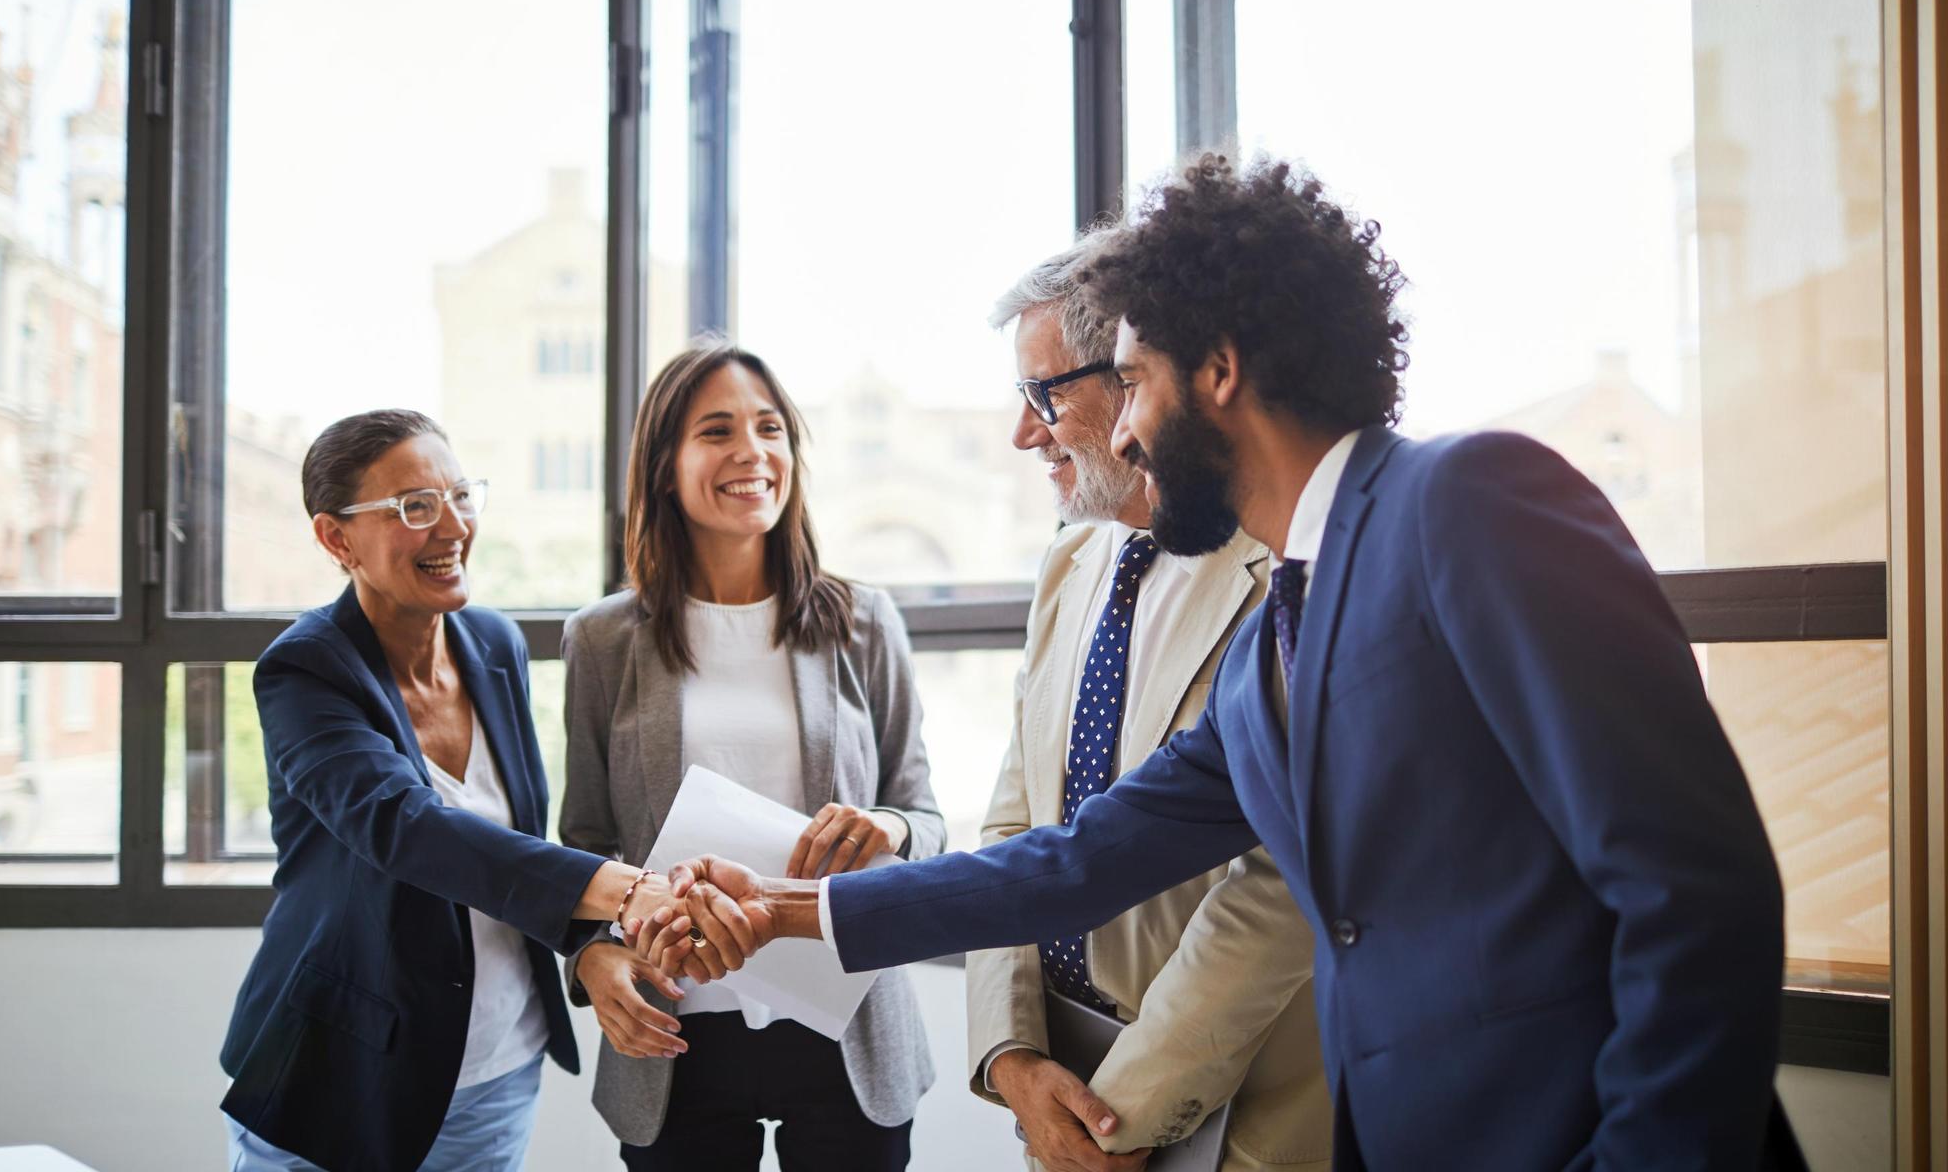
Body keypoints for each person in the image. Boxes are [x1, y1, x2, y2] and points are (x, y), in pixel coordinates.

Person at [655, 156, 1803, 1170]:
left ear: (1216, 371)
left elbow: (1695, 894)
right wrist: (787, 908)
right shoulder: (1272, 645)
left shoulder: (1468, 501)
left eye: (1133, 382)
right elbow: (1069, 863)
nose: (1118, 432)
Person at [219, 410, 741, 1172]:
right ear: (337, 540)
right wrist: (628, 895)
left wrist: (587, 943)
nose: (451, 526)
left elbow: (518, 842)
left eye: (459, 495)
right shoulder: (306, 672)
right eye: (413, 507)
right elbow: (408, 829)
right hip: (340, 1073)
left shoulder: (492, 644)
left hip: (495, 1069)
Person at [973, 231, 1329, 1172]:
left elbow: (1279, 886)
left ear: (1139, 376)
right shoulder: (1070, 559)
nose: (1025, 432)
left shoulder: (1282, 572)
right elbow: (1015, 823)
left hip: (1236, 1107)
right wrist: (1010, 1055)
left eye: (1047, 394)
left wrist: (1121, 1117)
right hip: (1060, 1087)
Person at [558, 339, 944, 1171]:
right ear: (665, 466)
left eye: (770, 428)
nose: (752, 452)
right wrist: (590, 956)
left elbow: (925, 816)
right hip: (675, 1028)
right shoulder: (602, 640)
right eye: (717, 430)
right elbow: (585, 843)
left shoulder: (863, 621)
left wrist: (885, 828)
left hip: (844, 1025)